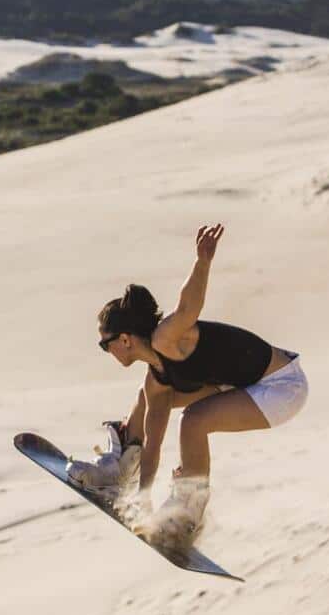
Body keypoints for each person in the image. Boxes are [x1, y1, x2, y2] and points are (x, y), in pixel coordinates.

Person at [69, 225, 309, 547]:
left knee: (193, 421)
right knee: (146, 398)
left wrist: (202, 261)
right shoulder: (157, 381)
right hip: (241, 385)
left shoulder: (167, 337)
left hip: (281, 386)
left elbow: (187, 309)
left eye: (105, 344)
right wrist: (142, 498)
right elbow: (154, 444)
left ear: (124, 339)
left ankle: (187, 511)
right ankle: (120, 469)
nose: (105, 351)